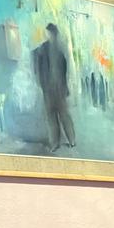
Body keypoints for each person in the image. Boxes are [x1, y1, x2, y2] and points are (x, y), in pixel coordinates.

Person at [33, 23, 75, 152]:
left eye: (50, 33)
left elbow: (64, 70)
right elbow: (37, 65)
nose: (49, 36)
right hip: (48, 90)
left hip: (59, 89)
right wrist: (42, 83)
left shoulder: (60, 50)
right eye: (48, 33)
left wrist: (65, 87)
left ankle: (71, 139)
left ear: (54, 34)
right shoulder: (42, 49)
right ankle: (55, 143)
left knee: (64, 115)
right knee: (51, 117)